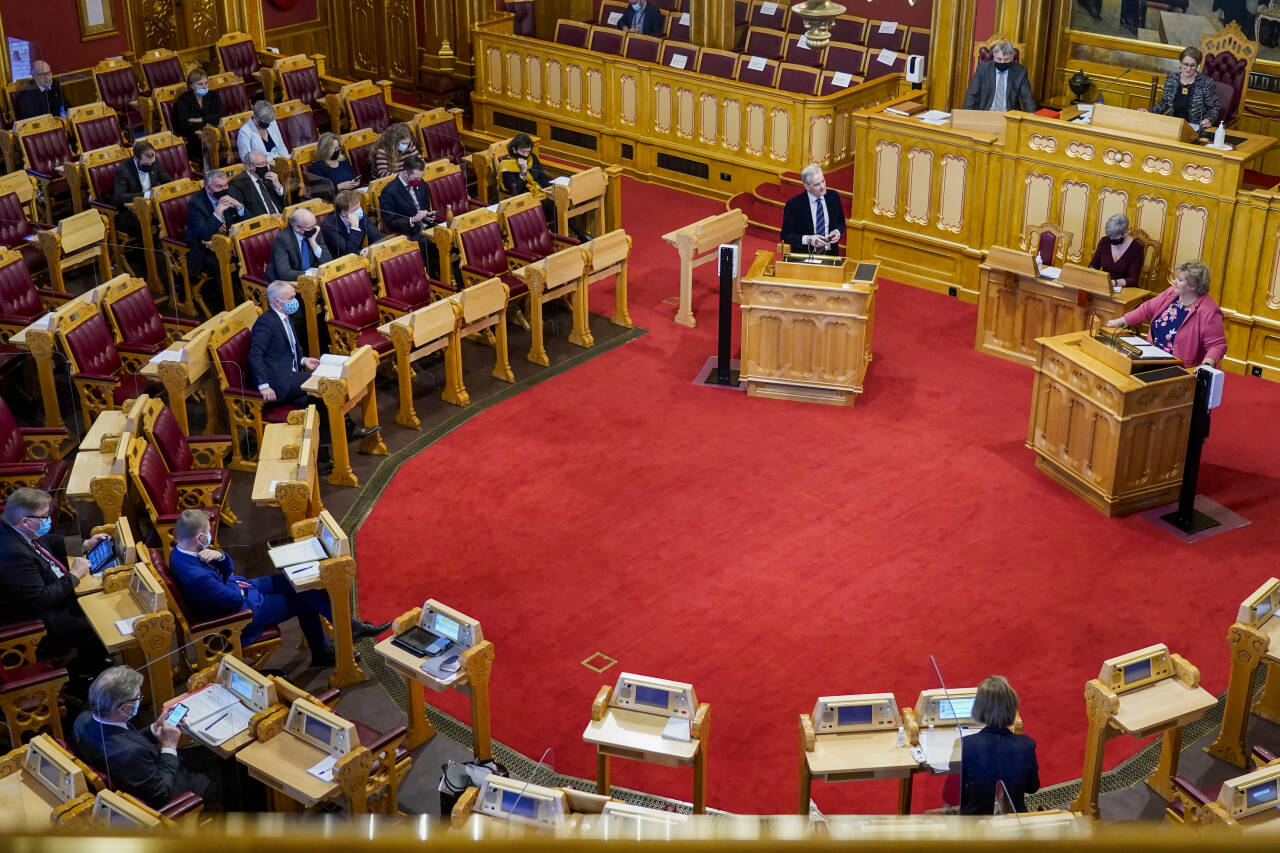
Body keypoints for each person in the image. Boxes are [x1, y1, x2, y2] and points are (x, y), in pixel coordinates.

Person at [167, 511, 388, 669]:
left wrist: (221, 557)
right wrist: (231, 579)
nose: (211, 538)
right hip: (240, 614)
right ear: (200, 538)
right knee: (305, 597)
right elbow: (233, 598)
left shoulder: (181, 551)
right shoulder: (196, 576)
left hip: (242, 591)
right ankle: (331, 644)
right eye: (208, 533)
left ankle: (347, 628)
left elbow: (228, 569)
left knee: (298, 582)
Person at [72, 666, 225, 809]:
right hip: (174, 788)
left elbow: (127, 738)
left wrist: (155, 727)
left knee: (215, 753)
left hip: (147, 767)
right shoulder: (130, 754)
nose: (140, 700)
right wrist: (169, 746)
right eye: (138, 698)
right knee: (232, 770)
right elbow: (163, 793)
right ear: (124, 708)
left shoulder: (83, 720)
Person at [0, 488, 110, 680]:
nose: (48, 519)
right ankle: (86, 673)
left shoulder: (21, 528)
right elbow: (40, 599)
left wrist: (85, 544)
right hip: (43, 618)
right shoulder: (13, 554)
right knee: (97, 623)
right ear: (25, 521)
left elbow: (49, 540)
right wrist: (74, 575)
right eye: (44, 516)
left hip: (56, 590)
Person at [1105, 260, 1227, 367]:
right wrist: (1120, 321)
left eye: (1179, 280)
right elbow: (1146, 309)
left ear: (1193, 286)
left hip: (1180, 368)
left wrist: (1206, 365)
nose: (1174, 282)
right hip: (1151, 357)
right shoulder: (1172, 293)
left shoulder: (1209, 311)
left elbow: (1217, 345)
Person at [959, 675, 1040, 814]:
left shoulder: (967, 744)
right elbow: (1032, 788)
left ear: (978, 708)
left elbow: (956, 793)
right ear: (1012, 707)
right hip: (1014, 825)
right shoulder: (1027, 745)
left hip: (976, 828)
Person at [186, 170, 244, 313]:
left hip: (229, 243)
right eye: (219, 187)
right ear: (208, 188)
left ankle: (246, 300)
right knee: (221, 263)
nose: (224, 190)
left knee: (246, 255)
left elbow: (247, 221)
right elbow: (205, 235)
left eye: (225, 186)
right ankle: (230, 307)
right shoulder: (196, 203)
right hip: (203, 249)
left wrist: (240, 207)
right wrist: (217, 213)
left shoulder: (231, 193)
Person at [379, 156, 440, 274]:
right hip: (409, 233)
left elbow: (425, 207)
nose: (418, 180)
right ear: (405, 172)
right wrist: (412, 219)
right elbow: (390, 223)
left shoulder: (421, 183)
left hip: (426, 228)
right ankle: (437, 279)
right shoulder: (389, 191)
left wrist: (428, 217)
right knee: (433, 245)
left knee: (450, 238)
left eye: (420, 177)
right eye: (415, 177)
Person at [111, 140, 173, 242]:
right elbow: (119, 197)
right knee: (162, 219)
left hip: (152, 208)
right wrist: (146, 194)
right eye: (146, 164)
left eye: (152, 163)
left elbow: (168, 181)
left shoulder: (153, 162)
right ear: (136, 159)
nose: (150, 166)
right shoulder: (123, 170)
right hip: (130, 213)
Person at [1146, 47, 1220, 130]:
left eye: (1193, 65)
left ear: (1197, 66)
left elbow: (1213, 108)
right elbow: (1164, 103)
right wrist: (1149, 112)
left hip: (1194, 127)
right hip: (1172, 124)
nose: (1188, 69)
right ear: (1180, 63)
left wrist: (1209, 119)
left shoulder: (1206, 82)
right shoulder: (1172, 79)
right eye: (1186, 64)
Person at [779, 165, 845, 255]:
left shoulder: (833, 197)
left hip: (830, 254)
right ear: (807, 186)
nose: (822, 186)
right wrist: (808, 239)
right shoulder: (794, 205)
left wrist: (837, 232)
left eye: (823, 181)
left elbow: (841, 223)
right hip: (806, 256)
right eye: (817, 184)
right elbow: (785, 236)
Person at [962, 41, 1037, 113]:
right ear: (994, 57)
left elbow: (1027, 96)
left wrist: (1032, 115)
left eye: (1006, 59)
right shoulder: (983, 69)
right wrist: (965, 113)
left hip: (1009, 115)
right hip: (986, 113)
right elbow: (972, 93)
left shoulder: (1020, 72)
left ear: (1012, 58)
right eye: (999, 59)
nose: (1002, 62)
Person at [169, 67, 224, 163]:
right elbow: (184, 126)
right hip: (194, 138)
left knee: (226, 140)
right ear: (191, 85)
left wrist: (200, 119)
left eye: (206, 83)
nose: (205, 87)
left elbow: (221, 116)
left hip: (216, 132)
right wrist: (207, 125)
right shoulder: (183, 101)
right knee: (212, 143)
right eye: (200, 84)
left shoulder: (213, 95)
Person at [267, 208, 333, 282]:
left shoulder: (314, 230)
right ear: (297, 228)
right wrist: (310, 274)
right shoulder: (283, 239)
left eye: (315, 224)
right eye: (310, 227)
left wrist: (313, 242)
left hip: (307, 281)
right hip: (283, 283)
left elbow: (328, 261)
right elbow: (284, 273)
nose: (315, 228)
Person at [1088, 214, 1144, 292]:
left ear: (1125, 232)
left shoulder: (1137, 248)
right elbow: (1093, 265)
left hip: (1125, 289)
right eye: (1110, 236)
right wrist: (1092, 272)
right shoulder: (1104, 241)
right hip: (1103, 287)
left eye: (1115, 237)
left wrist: (1113, 283)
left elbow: (1133, 279)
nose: (1111, 239)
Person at [322, 189, 382, 258]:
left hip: (358, 255)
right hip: (340, 262)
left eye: (359, 206)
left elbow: (377, 237)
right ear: (344, 213)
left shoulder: (359, 214)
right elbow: (348, 252)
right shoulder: (329, 227)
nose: (360, 210)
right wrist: (355, 227)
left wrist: (369, 249)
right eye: (356, 209)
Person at [229, 150, 286, 218]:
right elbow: (242, 214)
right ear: (248, 166)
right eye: (261, 164)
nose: (265, 167)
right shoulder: (237, 184)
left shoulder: (270, 177)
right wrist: (269, 218)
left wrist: (278, 187)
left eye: (266, 163)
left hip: (281, 217)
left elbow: (286, 205)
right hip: (262, 224)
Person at [308, 132, 361, 200]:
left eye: (338, 147)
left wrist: (356, 183)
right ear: (325, 150)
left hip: (354, 195)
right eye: (334, 149)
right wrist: (340, 186)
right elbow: (321, 192)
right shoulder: (317, 167)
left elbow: (353, 176)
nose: (337, 151)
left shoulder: (343, 159)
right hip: (338, 201)